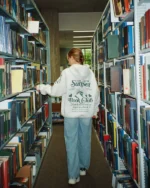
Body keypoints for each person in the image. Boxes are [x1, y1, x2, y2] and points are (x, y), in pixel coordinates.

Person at [36, 48, 100, 185]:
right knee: (85, 139)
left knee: (71, 142)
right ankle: (83, 167)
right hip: (86, 111)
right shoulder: (90, 73)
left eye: (68, 58)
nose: (67, 60)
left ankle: (73, 175)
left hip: (71, 112)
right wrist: (95, 109)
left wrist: (42, 88)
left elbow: (56, 90)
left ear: (71, 57)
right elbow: (96, 93)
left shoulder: (67, 73)